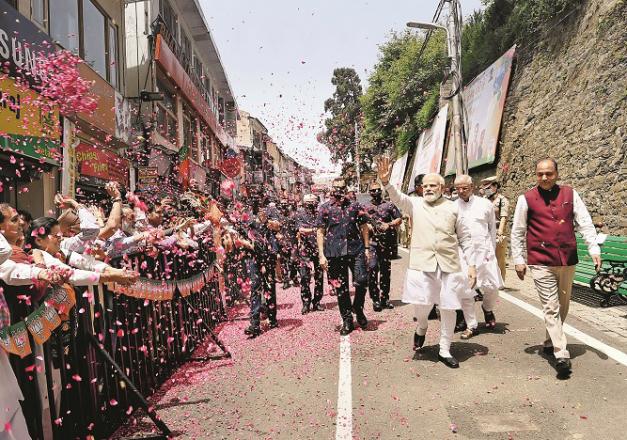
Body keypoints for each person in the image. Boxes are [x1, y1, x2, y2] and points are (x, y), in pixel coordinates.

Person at [377, 156, 476, 368]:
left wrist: (472, 266)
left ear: (442, 187)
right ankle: (422, 327)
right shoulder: (415, 204)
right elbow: (398, 198)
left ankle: (444, 349)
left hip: (449, 265)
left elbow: (466, 238)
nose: (429, 188)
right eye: (426, 186)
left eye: (433, 185)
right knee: (422, 307)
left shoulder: (454, 208)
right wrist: (386, 182)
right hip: (422, 265)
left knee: (449, 307)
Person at [511, 158, 601, 375]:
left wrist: (594, 249)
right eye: (540, 173)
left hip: (567, 259)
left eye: (549, 173)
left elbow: (585, 222)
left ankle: (551, 341)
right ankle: (561, 353)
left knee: (563, 305)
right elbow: (518, 231)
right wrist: (518, 259)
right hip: (541, 261)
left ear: (557, 174)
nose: (544, 177)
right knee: (551, 306)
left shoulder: (571, 195)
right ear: (535, 175)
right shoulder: (527, 199)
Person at [317, 178, 370, 335]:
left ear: (346, 188)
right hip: (334, 252)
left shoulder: (355, 206)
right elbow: (320, 231)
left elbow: (364, 227)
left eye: (342, 187)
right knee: (341, 288)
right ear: (332, 188)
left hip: (356, 249)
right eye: (336, 187)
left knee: (361, 280)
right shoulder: (324, 208)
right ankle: (347, 319)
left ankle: (358, 308)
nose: (339, 190)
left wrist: (367, 248)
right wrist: (321, 255)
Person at [453, 175, 504, 339]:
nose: (461, 191)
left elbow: (492, 230)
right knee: (466, 290)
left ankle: (487, 309)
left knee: (492, 286)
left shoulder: (485, 205)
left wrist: (492, 250)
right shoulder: (452, 207)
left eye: (464, 188)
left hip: (485, 251)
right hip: (464, 254)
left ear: (472, 187)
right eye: (458, 188)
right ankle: (472, 325)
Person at [365, 182, 402, 311]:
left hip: (386, 243)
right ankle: (375, 299)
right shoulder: (365, 207)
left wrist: (389, 224)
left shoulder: (389, 205)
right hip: (372, 243)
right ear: (369, 192)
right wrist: (367, 227)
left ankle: (384, 299)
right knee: (372, 268)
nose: (375, 193)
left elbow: (399, 218)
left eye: (377, 190)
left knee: (385, 272)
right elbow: (360, 223)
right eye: (372, 190)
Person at [296, 194, 324, 314]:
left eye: (313, 202)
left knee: (319, 276)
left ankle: (316, 302)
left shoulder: (320, 214)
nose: (311, 205)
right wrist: (314, 230)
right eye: (309, 203)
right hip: (305, 249)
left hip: (318, 248)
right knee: (304, 277)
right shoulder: (300, 214)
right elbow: (300, 229)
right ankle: (306, 303)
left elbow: (324, 228)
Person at [481, 176, 510, 282]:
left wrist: (500, 232)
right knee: (485, 258)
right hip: (485, 232)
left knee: (499, 259)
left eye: (488, 187)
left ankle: (501, 281)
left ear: (495, 186)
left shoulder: (502, 200)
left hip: (498, 231)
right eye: (485, 188)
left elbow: (503, 217)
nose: (486, 190)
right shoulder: (483, 200)